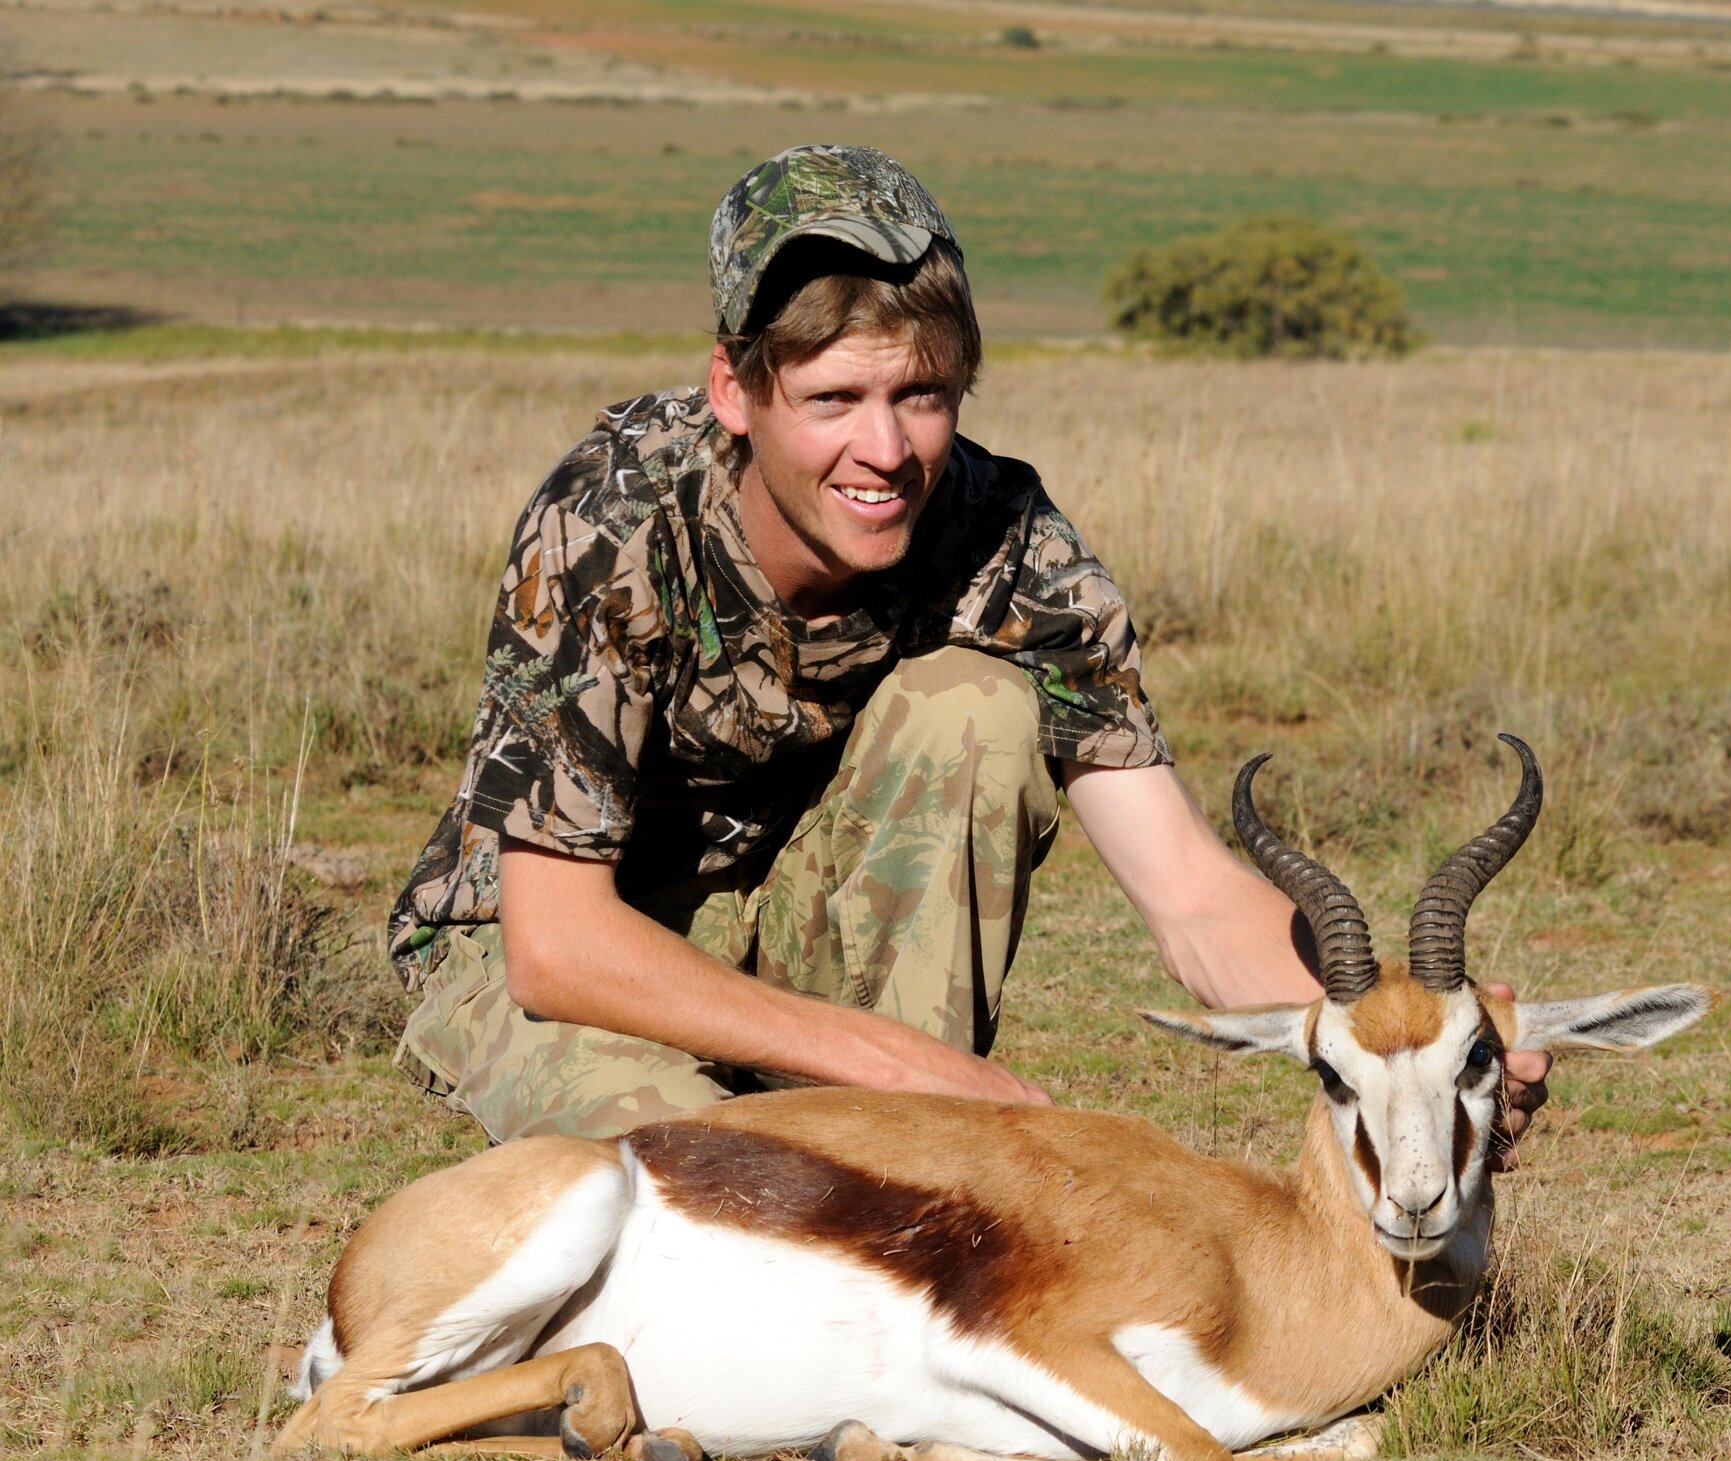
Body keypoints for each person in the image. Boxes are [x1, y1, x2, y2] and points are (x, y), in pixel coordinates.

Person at [385, 144, 1550, 1147]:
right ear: (734, 392)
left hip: (789, 937)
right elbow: (555, 944)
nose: (884, 451)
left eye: (924, 395)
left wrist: (1405, 1046)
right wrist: (897, 1066)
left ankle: (897, 1164)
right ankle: (878, 1150)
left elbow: (1189, 894)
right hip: (557, 962)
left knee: (974, 708)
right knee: (727, 1189)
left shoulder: (1009, 535)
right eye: (834, 399)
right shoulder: (606, 522)